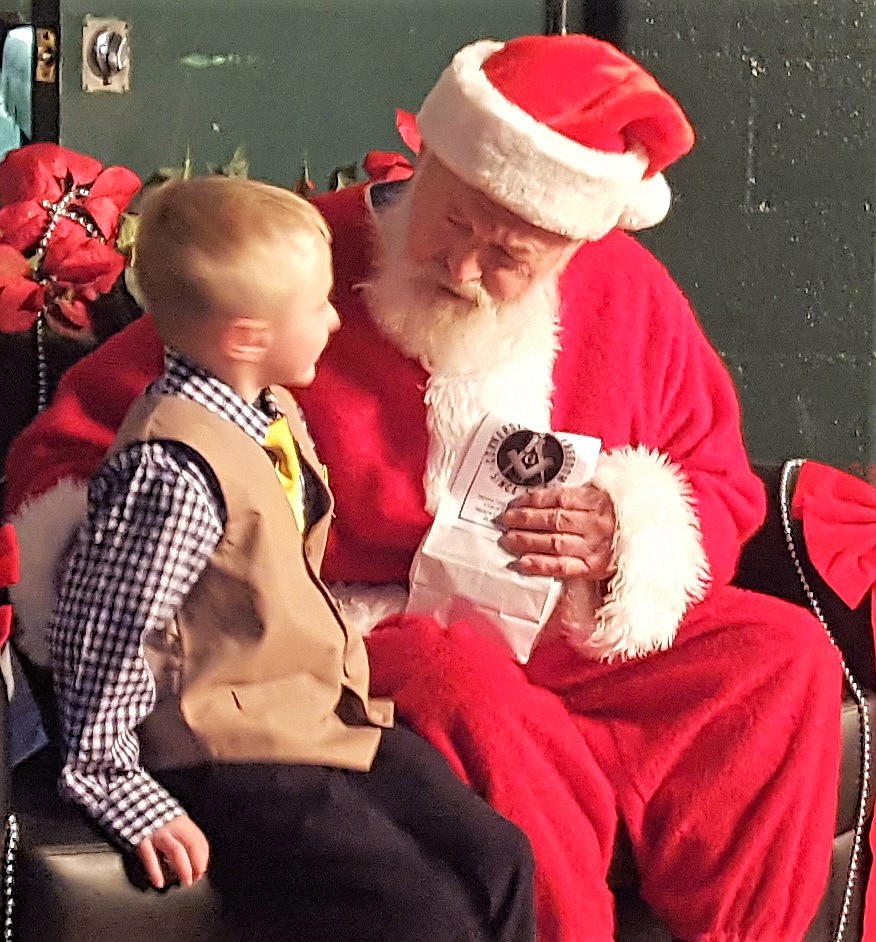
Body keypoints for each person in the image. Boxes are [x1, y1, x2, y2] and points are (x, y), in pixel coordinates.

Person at [5, 34, 843, 942]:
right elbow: (85, 452)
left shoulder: (629, 294)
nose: (463, 269)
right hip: (371, 635)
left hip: (563, 628)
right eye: (452, 222)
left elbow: (713, 476)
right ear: (427, 156)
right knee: (468, 687)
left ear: (572, 244)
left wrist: (626, 535)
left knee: (783, 655)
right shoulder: (296, 267)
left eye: (511, 256)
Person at [44, 175, 536, 942]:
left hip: (317, 718)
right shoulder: (173, 471)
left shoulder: (270, 414)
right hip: (231, 751)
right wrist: (114, 782)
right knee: (421, 917)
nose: (337, 320)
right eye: (318, 307)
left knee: (500, 858)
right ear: (247, 337)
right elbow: (102, 631)